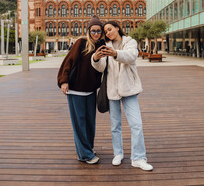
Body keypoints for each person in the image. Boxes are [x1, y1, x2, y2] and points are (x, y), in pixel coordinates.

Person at [91, 21, 153, 171]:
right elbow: (101, 68)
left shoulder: (129, 42)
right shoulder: (106, 46)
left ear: (117, 28)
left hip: (129, 89)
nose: (108, 33)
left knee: (136, 124)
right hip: (112, 90)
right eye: (106, 31)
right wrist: (96, 58)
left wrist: (116, 54)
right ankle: (118, 153)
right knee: (115, 126)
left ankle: (138, 158)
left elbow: (131, 56)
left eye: (110, 29)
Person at [57, 15, 104, 164]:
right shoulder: (81, 42)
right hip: (76, 89)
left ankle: (88, 147)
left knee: (90, 122)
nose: (96, 34)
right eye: (93, 31)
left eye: (98, 31)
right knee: (80, 122)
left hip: (90, 91)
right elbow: (68, 61)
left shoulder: (100, 46)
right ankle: (85, 155)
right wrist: (64, 81)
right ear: (88, 31)